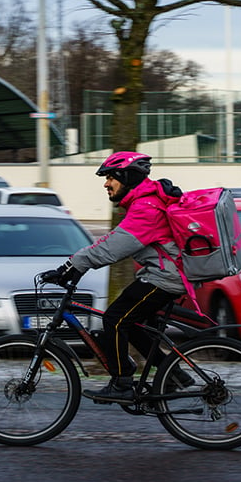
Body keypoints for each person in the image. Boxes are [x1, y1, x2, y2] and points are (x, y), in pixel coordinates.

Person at [39, 151, 194, 404]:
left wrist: (72, 266)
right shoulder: (144, 203)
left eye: (111, 177)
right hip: (163, 275)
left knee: (115, 319)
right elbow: (112, 243)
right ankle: (174, 374)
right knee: (129, 323)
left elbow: (112, 248)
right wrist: (75, 265)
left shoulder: (146, 207)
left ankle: (121, 382)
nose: (106, 183)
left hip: (166, 278)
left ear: (126, 177)